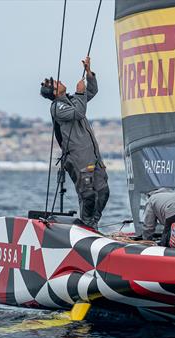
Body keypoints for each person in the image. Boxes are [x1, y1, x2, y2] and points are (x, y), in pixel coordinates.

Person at [40, 56, 109, 229]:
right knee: (88, 196)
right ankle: (86, 226)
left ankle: (92, 224)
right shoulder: (57, 107)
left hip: (93, 157)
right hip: (78, 159)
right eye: (57, 83)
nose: (60, 81)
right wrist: (79, 93)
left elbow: (91, 92)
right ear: (55, 93)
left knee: (103, 192)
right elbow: (78, 112)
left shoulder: (71, 101)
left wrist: (89, 74)